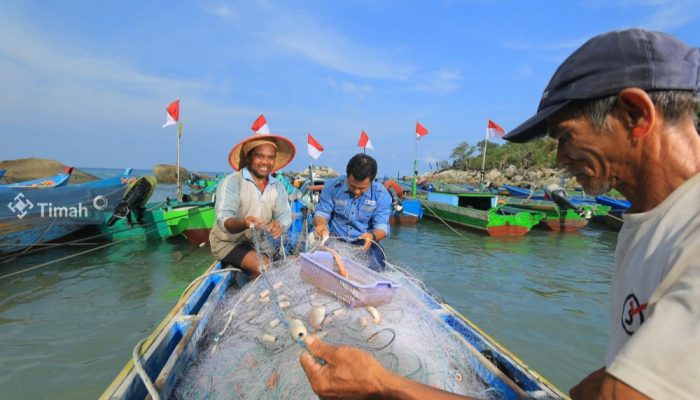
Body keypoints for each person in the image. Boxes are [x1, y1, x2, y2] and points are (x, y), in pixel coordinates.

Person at [300, 28, 700, 400]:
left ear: (635, 115)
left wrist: (382, 384)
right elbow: (623, 369)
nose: (560, 159)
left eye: (564, 136)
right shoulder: (649, 223)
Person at [209, 132, 296, 277]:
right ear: (249, 157)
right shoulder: (232, 182)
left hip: (259, 243)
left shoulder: (278, 186)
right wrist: (244, 223)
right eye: (260, 156)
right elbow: (224, 220)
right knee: (264, 267)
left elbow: (285, 216)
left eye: (270, 157)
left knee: (291, 263)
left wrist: (279, 225)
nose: (265, 162)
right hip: (228, 242)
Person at [312, 154, 392, 271]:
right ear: (347, 176)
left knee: (376, 265)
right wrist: (321, 225)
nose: (356, 191)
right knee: (319, 264)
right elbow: (321, 213)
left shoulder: (381, 195)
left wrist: (372, 236)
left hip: (365, 243)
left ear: (371, 181)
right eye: (352, 185)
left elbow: (382, 227)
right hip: (335, 239)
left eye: (362, 188)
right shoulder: (332, 186)